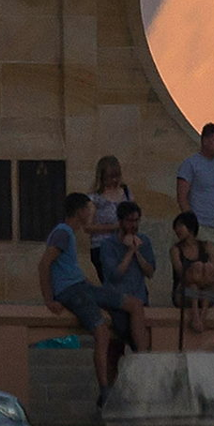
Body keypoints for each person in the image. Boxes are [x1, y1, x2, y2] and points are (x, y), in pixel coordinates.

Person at [39, 193, 149, 407]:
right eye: (89, 209)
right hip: (72, 291)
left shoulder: (69, 234)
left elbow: (68, 268)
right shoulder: (62, 232)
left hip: (82, 286)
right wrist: (49, 299)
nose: (91, 213)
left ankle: (143, 361)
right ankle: (105, 389)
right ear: (80, 211)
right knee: (101, 332)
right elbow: (44, 265)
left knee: (134, 305)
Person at [177, 122, 214, 276]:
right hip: (201, 226)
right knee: (204, 271)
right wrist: (192, 225)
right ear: (205, 140)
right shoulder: (190, 164)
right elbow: (182, 197)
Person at [170, 211, 214, 332]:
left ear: (190, 227)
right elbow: (180, 273)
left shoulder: (207, 246)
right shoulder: (176, 250)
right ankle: (195, 318)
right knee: (194, 283)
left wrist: (203, 280)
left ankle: (201, 319)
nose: (177, 230)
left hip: (205, 289)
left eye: (180, 226)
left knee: (206, 277)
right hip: (183, 291)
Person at [99, 202, 155, 308]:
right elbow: (114, 276)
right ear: (120, 221)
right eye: (129, 221)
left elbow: (150, 272)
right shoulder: (108, 244)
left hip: (139, 298)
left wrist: (137, 251)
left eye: (136, 220)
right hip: (116, 300)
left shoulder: (144, 241)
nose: (134, 225)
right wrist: (130, 251)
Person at [87, 156, 131, 283]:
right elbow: (88, 227)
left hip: (123, 244)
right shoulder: (95, 197)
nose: (114, 180)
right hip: (102, 245)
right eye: (110, 177)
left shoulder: (125, 192)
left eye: (116, 176)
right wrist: (114, 227)